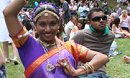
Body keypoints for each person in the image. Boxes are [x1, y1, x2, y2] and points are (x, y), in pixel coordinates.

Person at [3, 1, 109, 78]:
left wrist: (77, 72)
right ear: (35, 26)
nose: (48, 29)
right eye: (42, 24)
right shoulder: (27, 44)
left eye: (52, 24)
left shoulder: (70, 47)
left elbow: (103, 57)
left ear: (59, 25)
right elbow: (8, 14)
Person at [71, 8, 115, 78]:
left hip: (102, 73)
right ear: (89, 23)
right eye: (96, 19)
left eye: (104, 18)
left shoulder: (111, 36)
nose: (101, 21)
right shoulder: (81, 35)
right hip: (85, 73)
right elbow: (68, 49)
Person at [0, 0, 19, 65]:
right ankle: (14, 57)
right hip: (6, 17)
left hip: (5, 17)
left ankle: (8, 58)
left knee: (5, 39)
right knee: (11, 38)